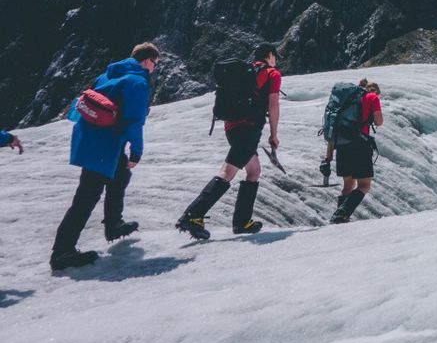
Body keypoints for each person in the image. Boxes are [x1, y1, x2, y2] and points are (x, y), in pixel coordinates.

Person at [50, 42, 158, 271]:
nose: (155, 69)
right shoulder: (137, 82)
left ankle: (113, 224)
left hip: (91, 139)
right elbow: (134, 120)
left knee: (120, 175)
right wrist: (137, 151)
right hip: (104, 145)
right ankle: (62, 253)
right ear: (147, 60)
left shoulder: (107, 75)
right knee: (87, 196)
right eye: (155, 64)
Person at [176, 43, 281, 240]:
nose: (276, 61)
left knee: (254, 170)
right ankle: (193, 215)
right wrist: (274, 134)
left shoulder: (245, 72)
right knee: (228, 172)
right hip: (249, 128)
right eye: (276, 56)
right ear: (270, 55)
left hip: (232, 127)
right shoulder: (271, 73)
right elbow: (273, 105)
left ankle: (242, 222)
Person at [330, 79, 383, 223]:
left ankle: (339, 216)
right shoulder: (372, 97)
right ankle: (342, 213)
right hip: (359, 144)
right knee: (364, 185)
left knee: (348, 185)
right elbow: (379, 121)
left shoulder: (347, 100)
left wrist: (327, 157)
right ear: (375, 91)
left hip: (341, 145)